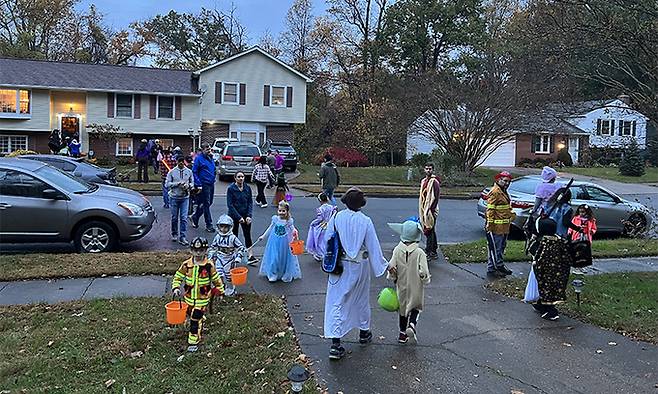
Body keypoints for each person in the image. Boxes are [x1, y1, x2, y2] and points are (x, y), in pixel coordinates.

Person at [323, 187, 390, 360]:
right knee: (361, 298)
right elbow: (373, 246)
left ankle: (335, 344)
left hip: (339, 264)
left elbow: (327, 240)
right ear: (361, 203)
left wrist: (327, 258)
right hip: (360, 265)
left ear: (345, 201)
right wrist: (384, 266)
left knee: (337, 301)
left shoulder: (337, 217)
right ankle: (363, 332)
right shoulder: (365, 221)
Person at [531, 187, 583, 321]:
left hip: (547, 237)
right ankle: (548, 306)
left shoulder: (549, 205)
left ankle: (542, 303)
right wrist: (577, 228)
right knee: (551, 274)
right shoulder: (566, 209)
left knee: (546, 273)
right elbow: (566, 223)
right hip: (559, 240)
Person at [172, 237, 224, 352]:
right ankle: (199, 318)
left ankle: (193, 340)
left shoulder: (209, 265)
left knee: (195, 319)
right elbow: (178, 276)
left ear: (205, 250)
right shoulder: (187, 265)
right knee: (190, 314)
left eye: (201, 250)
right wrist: (176, 287)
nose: (198, 252)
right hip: (189, 298)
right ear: (191, 250)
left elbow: (216, 279)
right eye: (196, 250)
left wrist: (220, 290)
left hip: (202, 298)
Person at [387, 219, 431, 344]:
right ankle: (412, 324)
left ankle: (402, 334)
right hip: (416, 284)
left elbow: (391, 266)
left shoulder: (397, 250)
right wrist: (425, 279)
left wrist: (392, 276)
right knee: (416, 306)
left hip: (401, 284)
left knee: (402, 309)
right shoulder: (419, 253)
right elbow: (424, 271)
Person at [257, 201, 302, 283]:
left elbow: (293, 229)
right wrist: (263, 236)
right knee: (274, 258)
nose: (281, 212)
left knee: (282, 258)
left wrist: (295, 231)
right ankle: (272, 274)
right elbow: (270, 228)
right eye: (279, 210)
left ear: (287, 211)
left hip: (284, 243)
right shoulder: (275, 219)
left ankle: (282, 273)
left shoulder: (289, 221)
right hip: (274, 242)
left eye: (283, 211)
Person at [485, 171, 516, 278]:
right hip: (496, 227)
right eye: (505, 181)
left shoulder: (503, 191)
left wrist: (511, 214)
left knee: (501, 248)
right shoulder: (495, 192)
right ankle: (492, 268)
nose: (507, 183)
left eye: (509, 182)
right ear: (499, 180)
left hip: (504, 226)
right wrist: (490, 224)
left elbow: (505, 207)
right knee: (495, 248)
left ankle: (499, 265)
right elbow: (490, 209)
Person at [208, 214, 246, 297]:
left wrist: (238, 257)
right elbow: (212, 247)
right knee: (218, 274)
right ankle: (221, 288)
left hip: (229, 259)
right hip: (220, 258)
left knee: (229, 276)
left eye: (226, 227)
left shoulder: (233, 238)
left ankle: (232, 289)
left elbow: (241, 247)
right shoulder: (217, 237)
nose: (223, 229)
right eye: (221, 227)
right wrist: (210, 257)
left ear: (230, 227)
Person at [226, 172, 258, 264]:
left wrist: (249, 215)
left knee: (247, 235)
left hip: (245, 214)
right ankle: (234, 255)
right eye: (239, 177)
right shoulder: (231, 189)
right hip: (234, 215)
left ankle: (251, 255)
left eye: (242, 177)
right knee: (234, 235)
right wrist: (238, 217)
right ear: (235, 178)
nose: (241, 178)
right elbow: (230, 205)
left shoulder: (247, 188)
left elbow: (250, 202)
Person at [165, 156, 194, 245]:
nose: (181, 163)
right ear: (177, 162)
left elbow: (192, 183)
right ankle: (174, 233)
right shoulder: (172, 172)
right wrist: (177, 184)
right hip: (174, 197)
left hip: (185, 198)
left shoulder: (189, 172)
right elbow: (167, 184)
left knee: (183, 218)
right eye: (179, 161)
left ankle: (183, 236)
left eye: (182, 161)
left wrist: (188, 186)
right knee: (174, 217)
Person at [191, 143, 217, 233]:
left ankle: (195, 216)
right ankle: (209, 224)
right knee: (206, 204)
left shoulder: (210, 158)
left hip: (211, 183)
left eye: (209, 149)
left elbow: (213, 169)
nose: (208, 150)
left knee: (209, 202)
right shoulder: (198, 159)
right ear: (202, 150)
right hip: (203, 184)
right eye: (206, 149)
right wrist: (198, 184)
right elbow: (194, 172)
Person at [418, 163, 440, 260]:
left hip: (431, 210)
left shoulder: (434, 182)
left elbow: (436, 197)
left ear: (433, 170)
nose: (428, 170)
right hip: (424, 208)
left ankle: (429, 251)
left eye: (430, 169)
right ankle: (434, 250)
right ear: (424, 170)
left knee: (429, 230)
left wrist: (430, 210)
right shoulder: (423, 181)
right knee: (431, 230)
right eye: (426, 169)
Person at [306, 193, 336, 261]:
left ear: (320, 200)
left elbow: (320, 219)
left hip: (322, 226)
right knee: (327, 241)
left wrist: (313, 223)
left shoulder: (320, 209)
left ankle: (321, 254)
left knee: (319, 241)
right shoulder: (332, 207)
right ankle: (327, 253)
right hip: (330, 226)